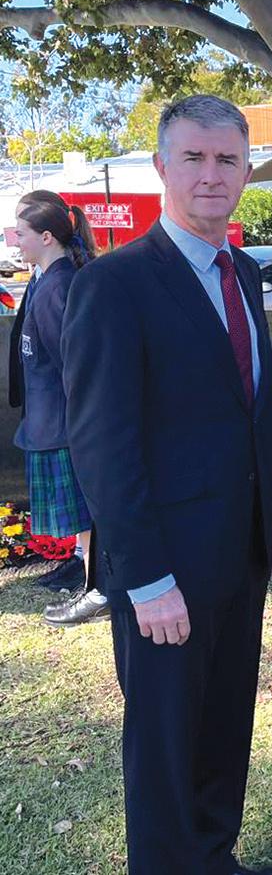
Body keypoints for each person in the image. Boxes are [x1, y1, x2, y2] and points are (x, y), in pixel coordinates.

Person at [61, 94, 272, 875]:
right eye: (193, 157)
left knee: (225, 724)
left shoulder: (245, 272)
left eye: (228, 159)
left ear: (247, 171)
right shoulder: (114, 284)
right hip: (165, 564)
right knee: (165, 742)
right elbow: (102, 442)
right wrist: (146, 577)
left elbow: (254, 405)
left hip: (240, 547)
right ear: (162, 166)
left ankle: (213, 858)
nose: (211, 174)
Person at [10, 192, 103, 625]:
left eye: (21, 233)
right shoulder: (51, 280)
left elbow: (73, 367)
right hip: (57, 421)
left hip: (66, 425)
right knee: (86, 519)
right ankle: (93, 587)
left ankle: (97, 592)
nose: (16, 242)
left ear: (47, 237)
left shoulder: (57, 288)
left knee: (89, 517)